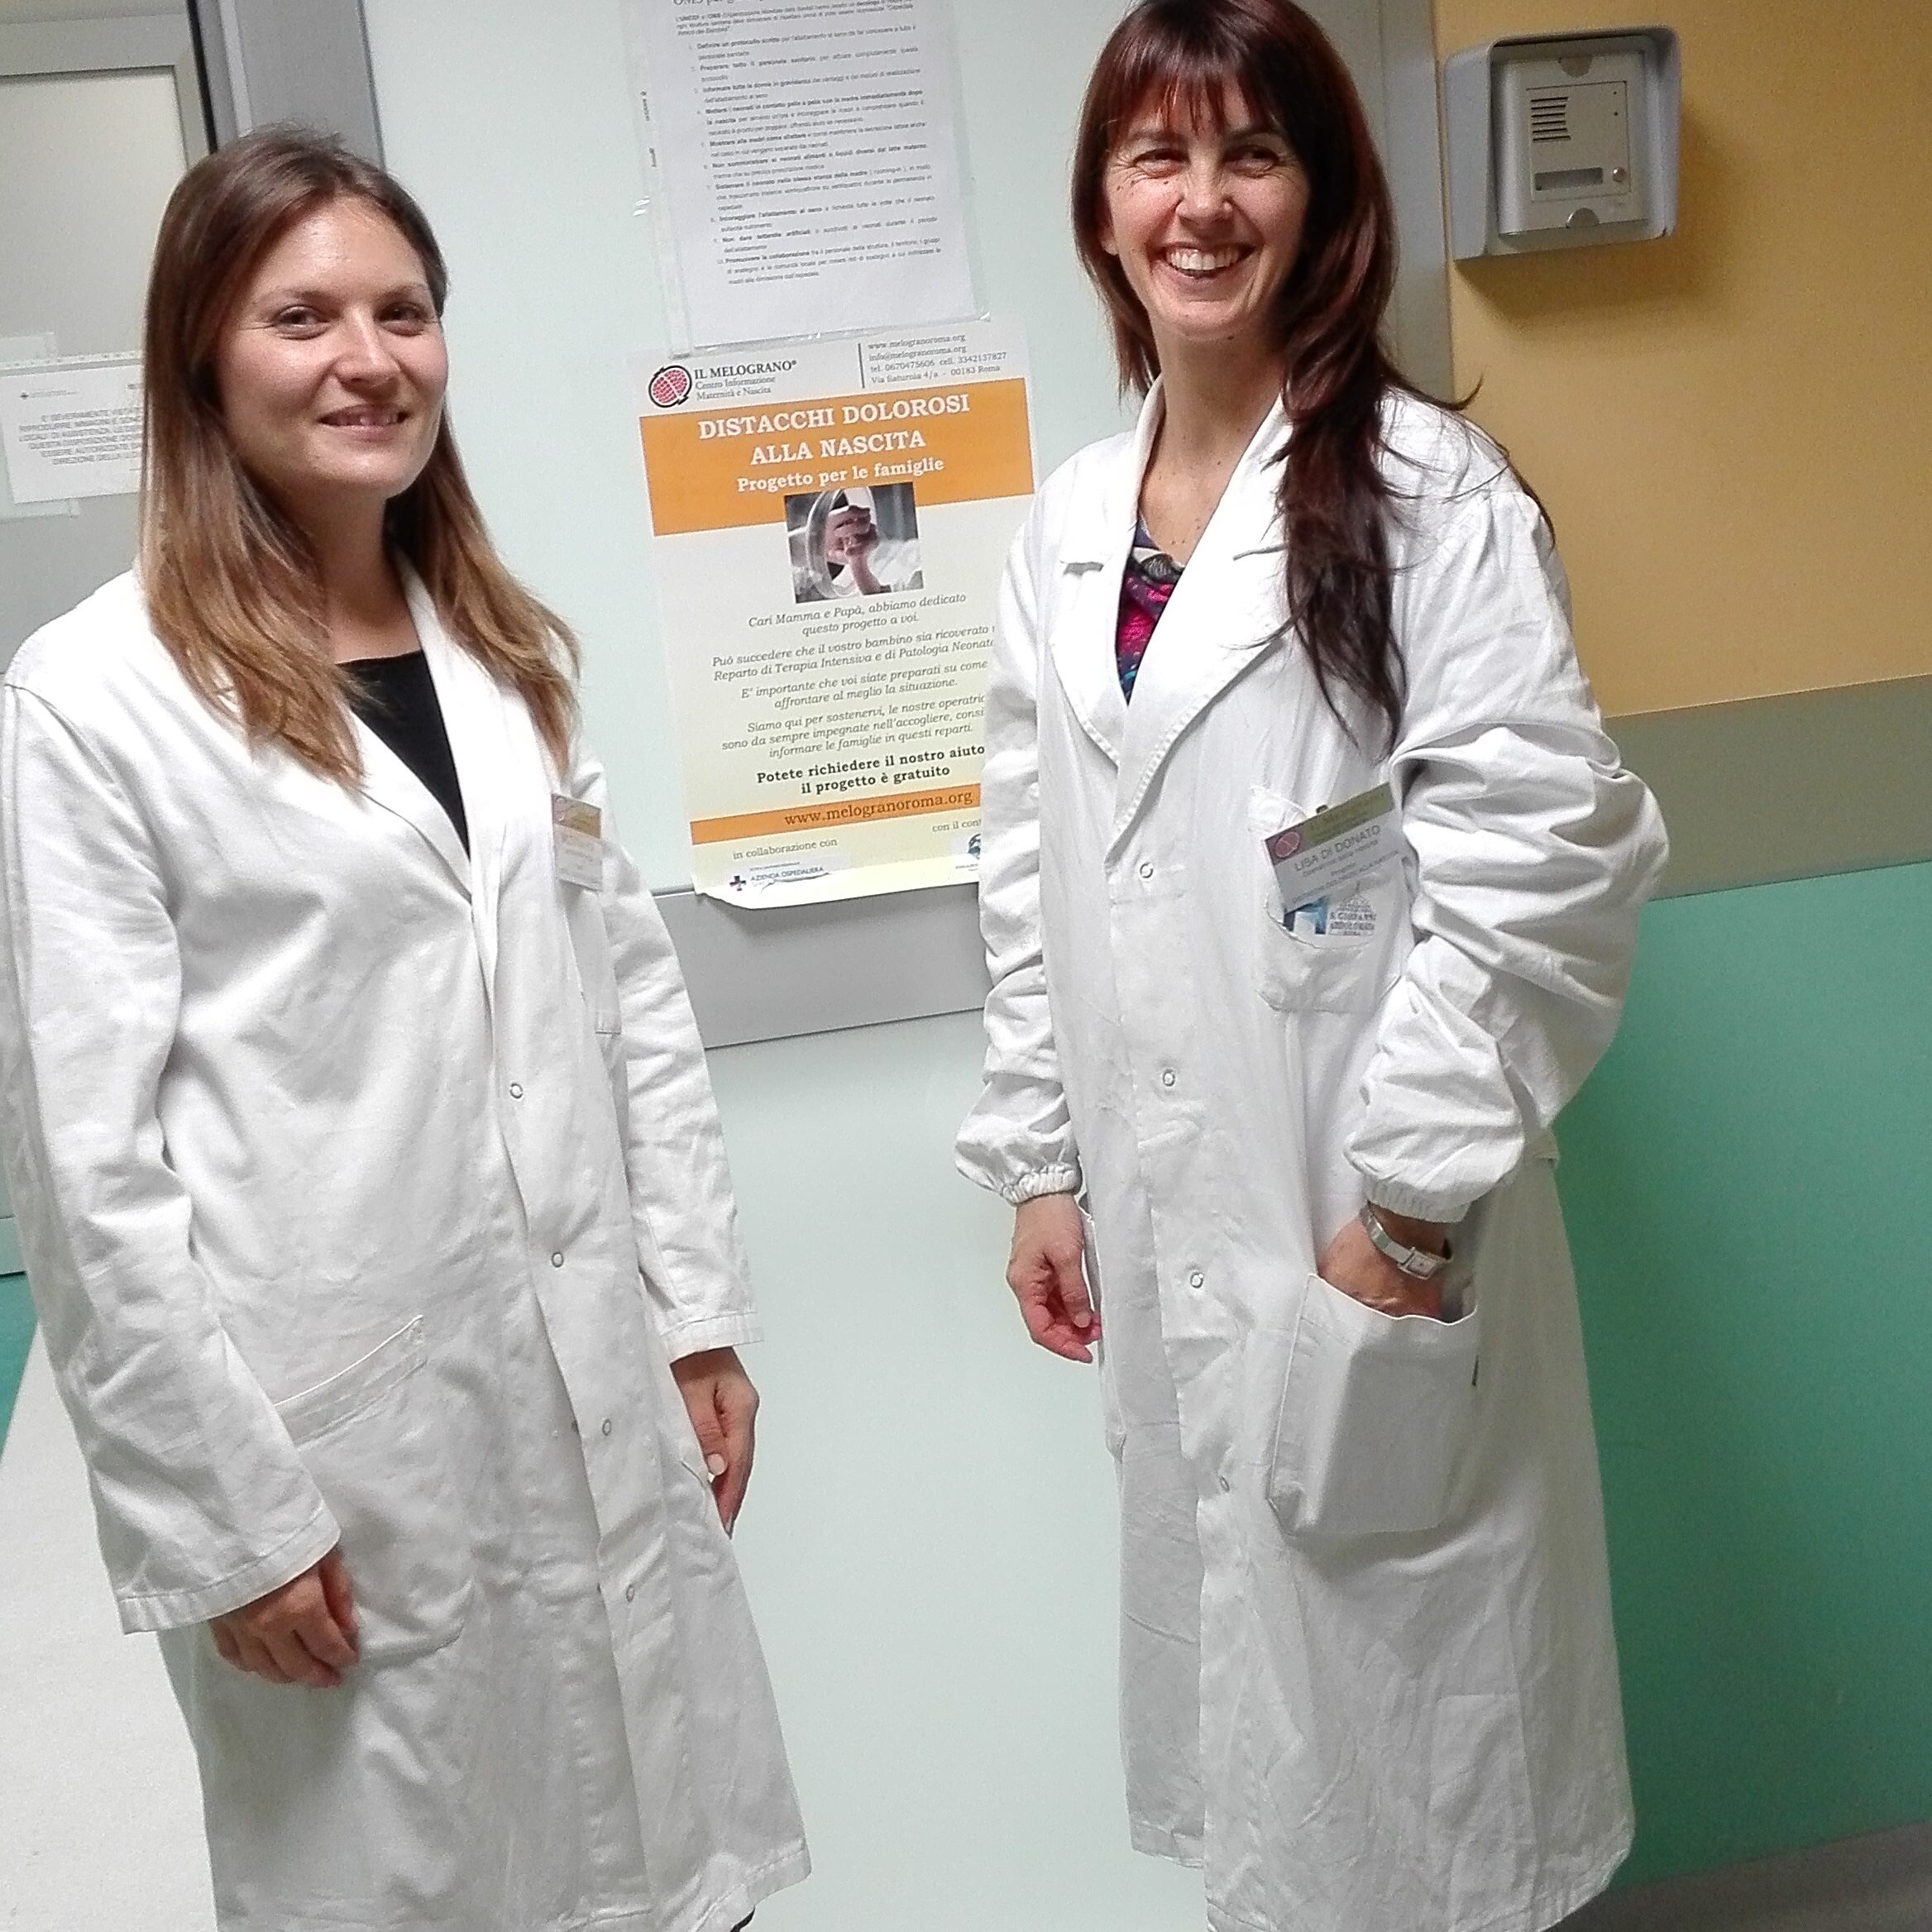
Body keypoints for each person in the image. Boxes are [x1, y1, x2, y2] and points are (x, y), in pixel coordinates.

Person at [0, 130, 808, 1932]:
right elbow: (83, 1168)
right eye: (302, 317)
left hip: (584, 1375)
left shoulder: (500, 654)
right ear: (202, 357)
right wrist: (223, 1517)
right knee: (416, 1876)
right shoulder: (96, 698)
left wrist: (693, 1316)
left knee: (658, 1857)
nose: (368, 359)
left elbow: (626, 1008)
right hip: (335, 1451)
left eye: (404, 312)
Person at [954, 5, 1669, 1931]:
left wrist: (1409, 1210)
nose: (1201, 203)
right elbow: (1027, 866)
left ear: (1321, 197)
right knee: (1269, 1778)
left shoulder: (1432, 497)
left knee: (1423, 1776)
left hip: (1369, 1224)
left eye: (1250, 154)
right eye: (1157, 158)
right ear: (1100, 209)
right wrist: (1039, 1158)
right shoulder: (1067, 528)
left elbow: (1546, 864)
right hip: (1176, 1213)